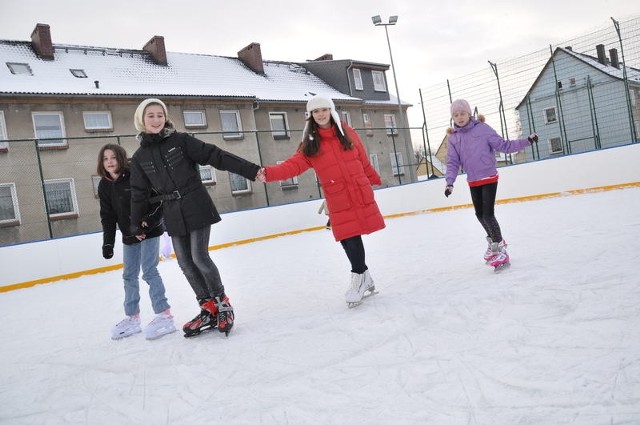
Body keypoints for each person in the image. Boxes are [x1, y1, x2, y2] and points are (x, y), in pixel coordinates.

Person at [129, 98, 261, 337]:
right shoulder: (139, 157)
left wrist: (251, 170)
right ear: (142, 119)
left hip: (196, 204)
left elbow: (215, 155)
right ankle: (207, 308)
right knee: (185, 263)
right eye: (151, 115)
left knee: (199, 257)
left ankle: (223, 304)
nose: (156, 119)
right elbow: (139, 193)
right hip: (172, 211)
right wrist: (137, 222)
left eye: (160, 114)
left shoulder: (180, 141)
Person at [256, 94, 385, 306]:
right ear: (311, 116)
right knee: (346, 236)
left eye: (324, 110)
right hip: (337, 196)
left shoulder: (347, 132)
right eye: (316, 111)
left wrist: (373, 179)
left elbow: (362, 157)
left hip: (358, 190)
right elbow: (292, 165)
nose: (321, 114)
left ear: (331, 111)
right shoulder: (310, 143)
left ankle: (360, 277)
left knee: (352, 236)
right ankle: (364, 277)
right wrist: (268, 173)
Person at [444, 99, 537, 270]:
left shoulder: (483, 129)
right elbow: (452, 163)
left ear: (469, 114)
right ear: (452, 118)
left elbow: (504, 145)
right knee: (479, 215)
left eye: (462, 113)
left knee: (488, 214)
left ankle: (500, 247)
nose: (459, 117)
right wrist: (449, 183)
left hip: (488, 177)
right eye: (455, 115)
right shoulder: (453, 138)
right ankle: (493, 242)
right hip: (473, 180)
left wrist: (527, 141)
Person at [97, 143, 176, 340]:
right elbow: (107, 216)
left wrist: (145, 224)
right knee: (129, 275)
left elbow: (158, 201)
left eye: (113, 158)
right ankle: (132, 318)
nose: (109, 162)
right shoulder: (104, 185)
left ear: (121, 158)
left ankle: (164, 315)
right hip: (129, 235)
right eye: (106, 159)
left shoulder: (135, 176)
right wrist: (108, 243)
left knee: (149, 271)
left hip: (149, 230)